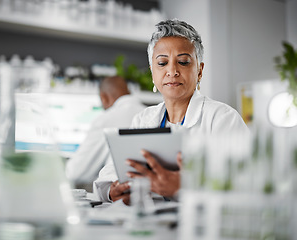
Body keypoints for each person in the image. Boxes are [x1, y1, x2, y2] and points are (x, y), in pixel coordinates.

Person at [93, 19, 250, 205]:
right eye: (162, 63)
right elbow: (112, 172)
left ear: (199, 71)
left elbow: (248, 184)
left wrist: (186, 186)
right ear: (152, 72)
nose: (172, 71)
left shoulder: (223, 119)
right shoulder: (143, 120)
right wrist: (114, 191)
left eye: (183, 62)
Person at [65, 76, 146, 188]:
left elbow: (76, 172)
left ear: (104, 97)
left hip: (118, 195)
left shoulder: (106, 119)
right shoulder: (149, 115)